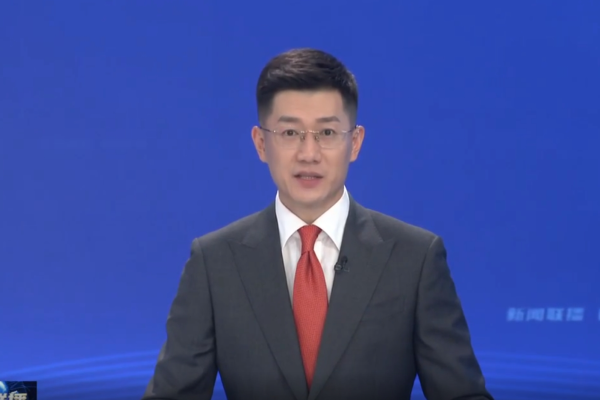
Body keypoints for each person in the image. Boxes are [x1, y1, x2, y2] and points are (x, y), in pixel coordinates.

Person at [142, 48, 493, 400]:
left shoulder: (415, 259)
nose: (308, 154)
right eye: (289, 133)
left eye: (327, 132)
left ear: (354, 143)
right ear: (261, 143)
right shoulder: (214, 262)